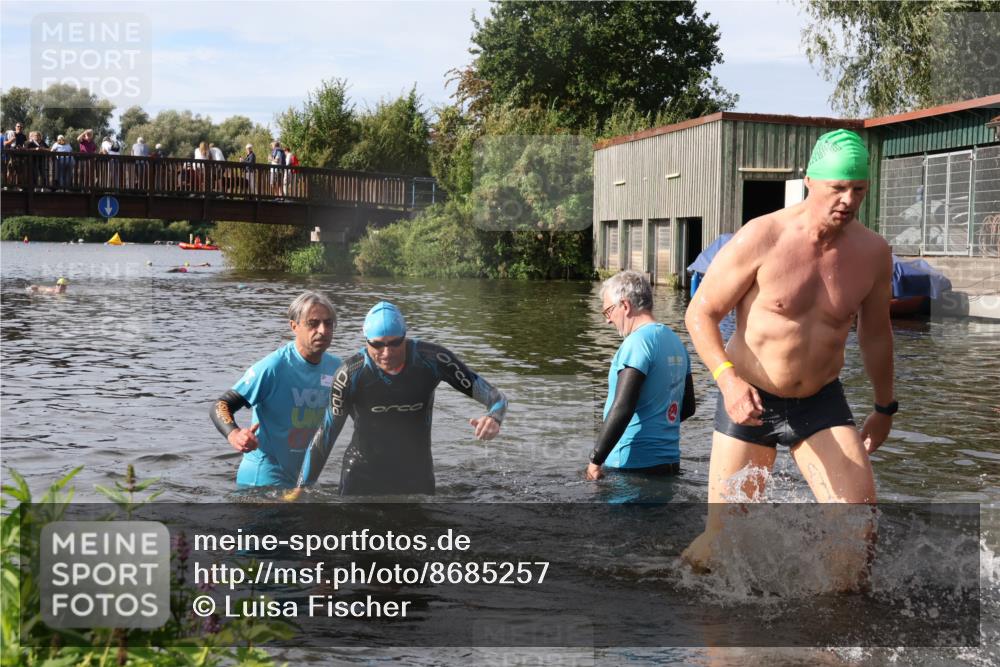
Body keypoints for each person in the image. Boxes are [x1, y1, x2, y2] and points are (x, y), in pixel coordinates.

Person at [681, 129, 894, 576]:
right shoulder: (763, 236)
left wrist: (884, 406)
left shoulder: (873, 253)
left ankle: (833, 632)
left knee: (860, 532)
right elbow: (700, 314)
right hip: (750, 399)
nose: (848, 200)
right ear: (810, 181)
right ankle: (678, 587)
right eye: (838, 188)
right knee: (724, 544)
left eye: (858, 189)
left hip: (820, 402)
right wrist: (727, 379)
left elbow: (876, 334)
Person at [287, 301, 508, 497]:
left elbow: (496, 397)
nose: (387, 352)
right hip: (362, 474)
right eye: (377, 345)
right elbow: (327, 433)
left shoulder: (432, 360)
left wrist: (494, 417)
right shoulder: (350, 374)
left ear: (405, 336)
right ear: (366, 341)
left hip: (416, 473)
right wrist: (300, 489)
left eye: (395, 343)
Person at [210, 291, 340, 488]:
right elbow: (221, 405)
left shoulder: (336, 368)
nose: (322, 330)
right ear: (294, 326)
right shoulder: (274, 367)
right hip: (263, 480)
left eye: (328, 323)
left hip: (303, 478)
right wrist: (235, 434)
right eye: (313, 323)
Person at [586, 270, 695, 481]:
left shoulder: (637, 343)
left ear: (625, 306)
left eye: (608, 311)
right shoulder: (676, 342)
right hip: (668, 463)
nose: (608, 321)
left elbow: (623, 407)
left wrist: (595, 460)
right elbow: (688, 407)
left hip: (630, 464)